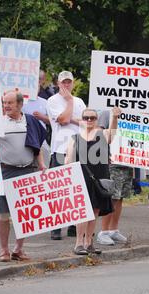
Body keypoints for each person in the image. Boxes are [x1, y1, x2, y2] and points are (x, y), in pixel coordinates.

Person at [0, 90, 46, 262]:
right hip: (5, 172)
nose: (6, 106)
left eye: (9, 102)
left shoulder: (30, 121)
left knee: (24, 214)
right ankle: (3, 250)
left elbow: (36, 146)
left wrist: (41, 165)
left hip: (27, 171)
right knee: (3, 215)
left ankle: (18, 249)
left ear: (20, 104)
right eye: (4, 103)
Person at [65, 107, 120, 254]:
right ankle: (79, 244)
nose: (89, 120)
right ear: (82, 120)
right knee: (83, 212)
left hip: (99, 177)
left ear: (96, 120)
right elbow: (68, 159)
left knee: (94, 210)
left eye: (92, 118)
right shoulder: (74, 138)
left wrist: (114, 118)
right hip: (81, 177)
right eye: (86, 118)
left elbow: (111, 135)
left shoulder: (102, 134)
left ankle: (89, 242)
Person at [47, 70, 85, 240]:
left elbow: (87, 123)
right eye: (63, 82)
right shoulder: (53, 101)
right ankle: (56, 227)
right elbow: (62, 120)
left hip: (77, 149)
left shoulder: (80, 101)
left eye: (69, 82)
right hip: (60, 149)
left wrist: (72, 118)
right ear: (58, 84)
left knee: (75, 189)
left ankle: (72, 225)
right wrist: (69, 102)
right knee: (58, 190)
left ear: (73, 83)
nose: (66, 85)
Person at [96, 110, 133, 246]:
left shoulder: (135, 114)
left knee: (120, 197)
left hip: (128, 162)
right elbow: (104, 138)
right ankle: (103, 232)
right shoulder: (106, 114)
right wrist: (115, 118)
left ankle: (113, 230)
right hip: (113, 163)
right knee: (112, 197)